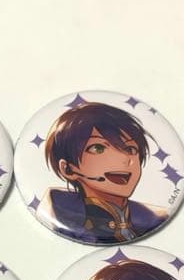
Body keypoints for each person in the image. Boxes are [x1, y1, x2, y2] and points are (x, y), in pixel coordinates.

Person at [42, 102, 167, 243]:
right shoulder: (60, 216)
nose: (124, 159)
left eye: (130, 149)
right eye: (98, 148)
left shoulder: (153, 218)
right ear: (68, 169)